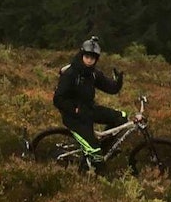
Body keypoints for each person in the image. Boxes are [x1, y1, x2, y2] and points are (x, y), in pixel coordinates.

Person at [53, 36, 126, 171]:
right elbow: (58, 99)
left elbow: (110, 88)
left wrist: (118, 82)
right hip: (74, 118)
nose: (89, 60)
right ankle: (93, 164)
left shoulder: (93, 74)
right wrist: (74, 109)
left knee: (122, 117)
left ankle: (102, 147)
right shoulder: (71, 74)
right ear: (82, 55)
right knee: (96, 155)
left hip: (88, 110)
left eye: (93, 58)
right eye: (87, 56)